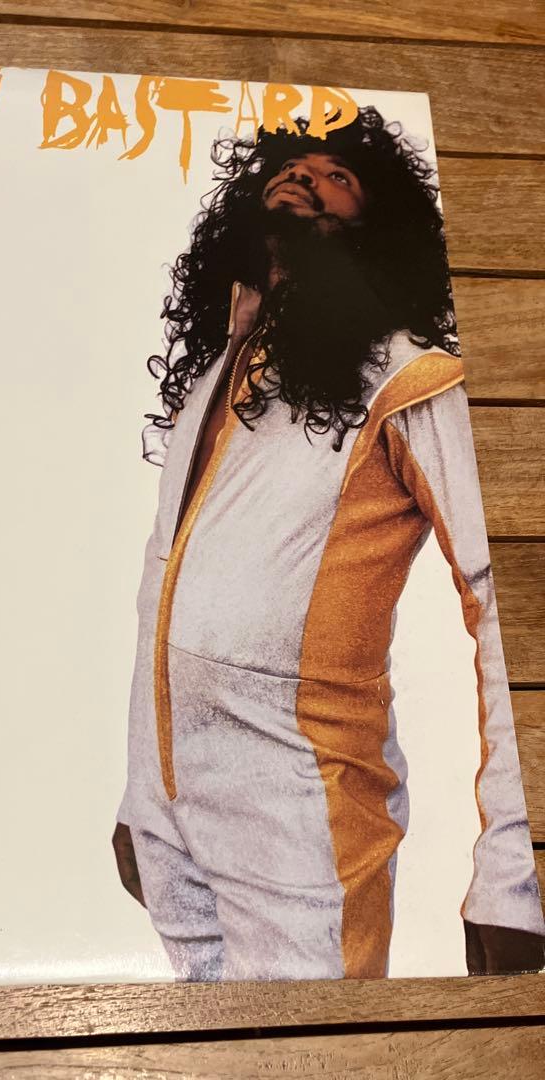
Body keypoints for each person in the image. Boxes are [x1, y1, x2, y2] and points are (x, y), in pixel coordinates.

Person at [112, 106, 545, 981]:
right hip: (174, 820)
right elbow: (166, 583)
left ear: (382, 232)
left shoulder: (412, 379)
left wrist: (517, 877)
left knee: (310, 1052)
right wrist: (145, 797)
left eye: (338, 176)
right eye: (294, 167)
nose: (307, 176)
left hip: (303, 820)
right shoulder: (225, 368)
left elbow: (512, 598)